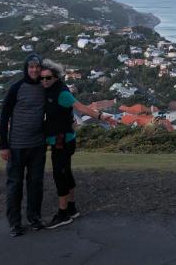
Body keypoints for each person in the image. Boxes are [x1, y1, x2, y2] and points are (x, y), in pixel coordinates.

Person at [40, 58, 112, 229]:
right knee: (66, 173)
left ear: (56, 77)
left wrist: (101, 116)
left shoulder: (62, 93)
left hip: (63, 142)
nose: (44, 81)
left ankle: (63, 213)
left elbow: (81, 108)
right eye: (41, 78)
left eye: (48, 78)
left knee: (60, 175)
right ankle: (72, 208)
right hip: (59, 140)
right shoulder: (47, 90)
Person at [0, 53, 47, 236]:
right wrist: (3, 145)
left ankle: (34, 217)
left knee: (36, 183)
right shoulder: (16, 88)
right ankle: (15, 223)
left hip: (38, 145)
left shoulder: (44, 87)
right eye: (31, 67)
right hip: (17, 146)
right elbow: (4, 117)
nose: (34, 70)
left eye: (37, 67)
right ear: (26, 69)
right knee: (15, 185)